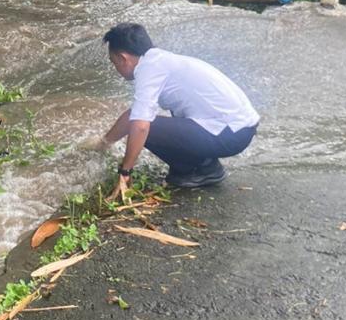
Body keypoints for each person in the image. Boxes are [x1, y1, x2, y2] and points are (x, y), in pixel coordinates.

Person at [84, 21, 259, 200]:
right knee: (141, 119)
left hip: (231, 134)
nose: (116, 69)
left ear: (123, 58)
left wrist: (125, 172)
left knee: (141, 126)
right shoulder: (160, 60)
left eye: (114, 62)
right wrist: (104, 143)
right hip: (237, 128)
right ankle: (204, 164)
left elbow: (140, 125)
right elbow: (133, 114)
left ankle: (195, 170)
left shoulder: (148, 69)